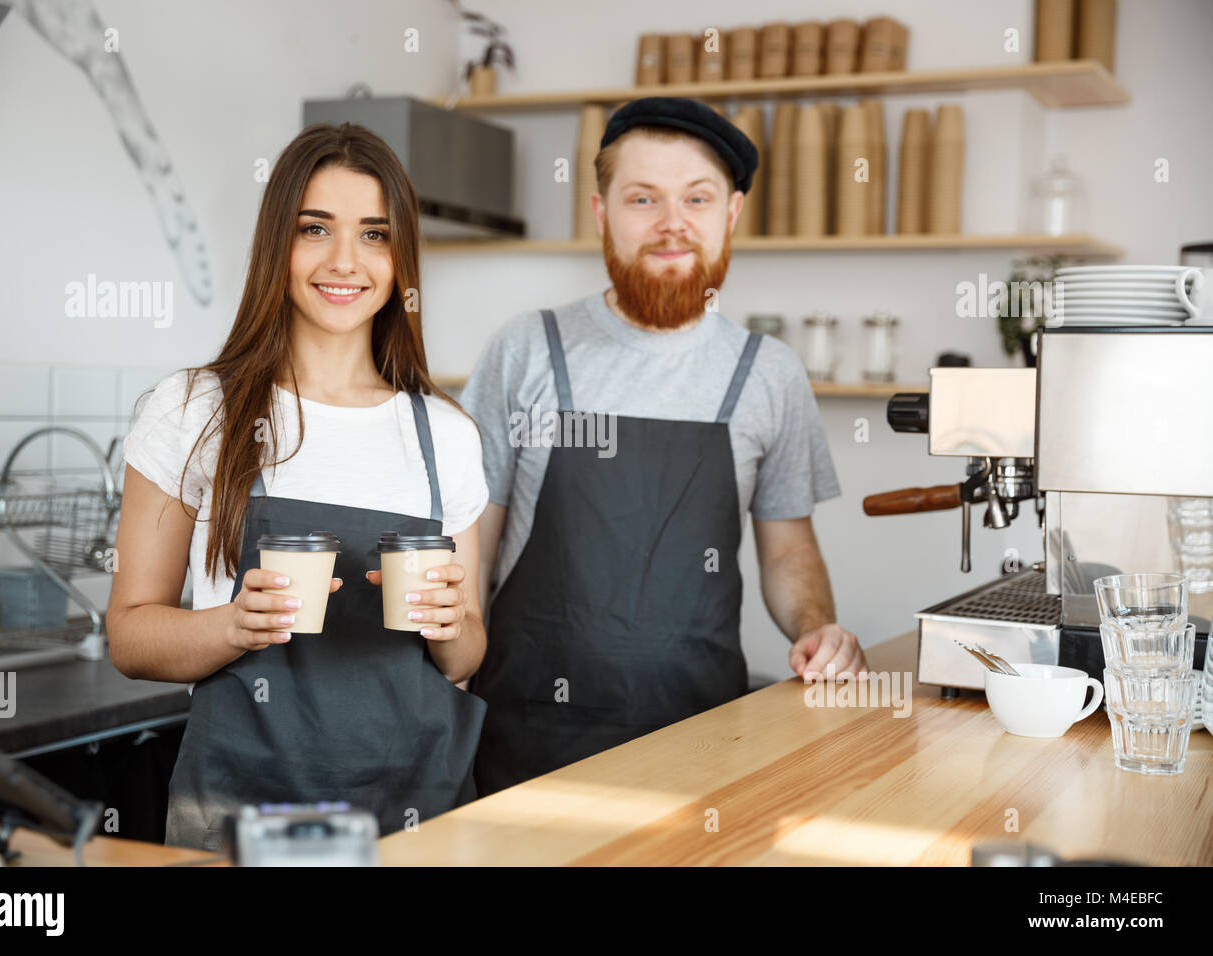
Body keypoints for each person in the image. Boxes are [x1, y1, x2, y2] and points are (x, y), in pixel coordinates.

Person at [463, 97, 868, 795]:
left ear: (731, 214)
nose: (671, 223)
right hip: (526, 741)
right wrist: (445, 687)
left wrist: (818, 627)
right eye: (643, 198)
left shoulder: (767, 372)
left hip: (703, 740)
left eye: (697, 198)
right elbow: (472, 543)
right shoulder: (528, 349)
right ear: (601, 212)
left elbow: (789, 548)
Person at [107, 123, 489, 849]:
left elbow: (467, 658)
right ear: (276, 243)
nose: (346, 260)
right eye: (316, 229)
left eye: (375, 235)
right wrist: (231, 626)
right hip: (243, 814)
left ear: (401, 258)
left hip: (417, 812)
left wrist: (449, 626)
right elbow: (129, 633)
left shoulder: (445, 432)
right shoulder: (192, 411)